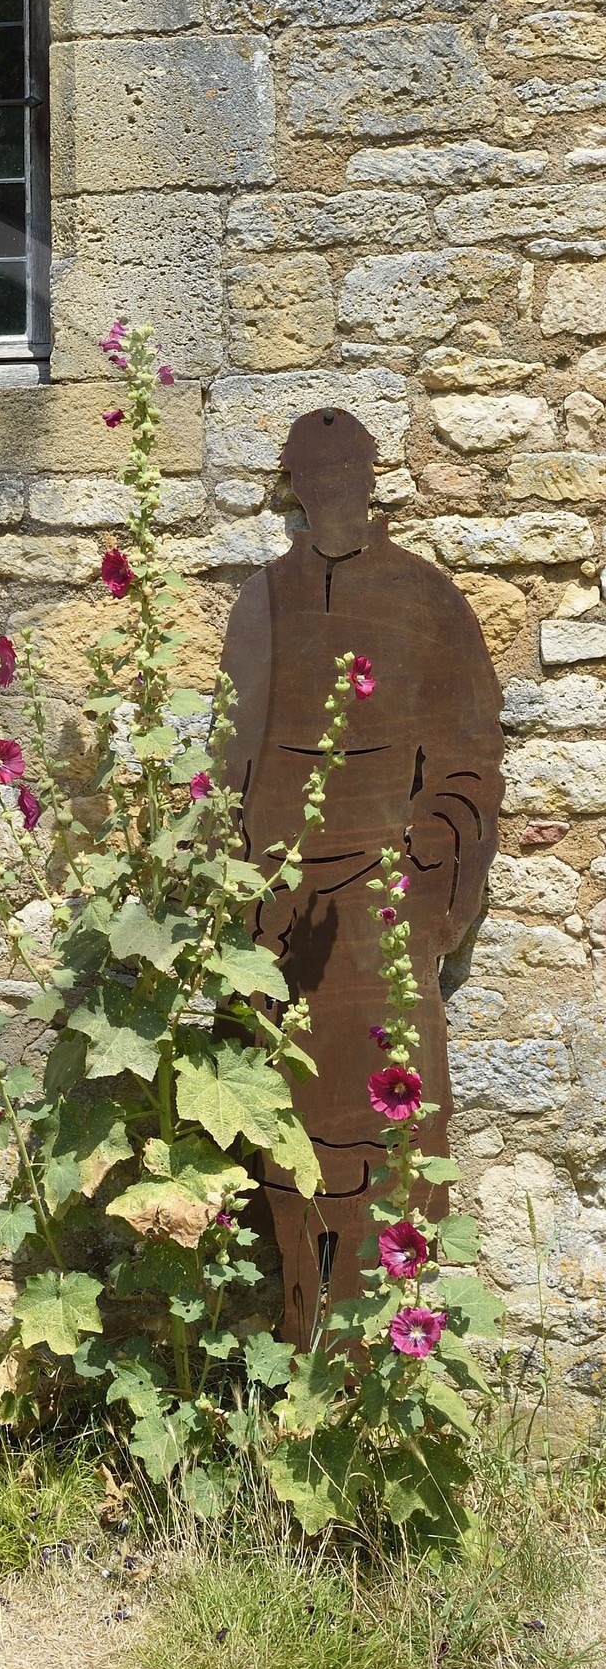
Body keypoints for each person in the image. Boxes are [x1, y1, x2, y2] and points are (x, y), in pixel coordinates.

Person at [218, 408, 505, 1346]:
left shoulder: (423, 600)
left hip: (386, 907)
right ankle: (308, 1349)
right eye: (316, 474)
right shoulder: (261, 605)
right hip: (283, 916)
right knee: (292, 1144)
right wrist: (242, 893)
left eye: (349, 473)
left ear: (370, 481)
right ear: (295, 486)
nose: (334, 489)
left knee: (398, 1134)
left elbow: (467, 760)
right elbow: (233, 764)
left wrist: (428, 883)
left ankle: (398, 1359)